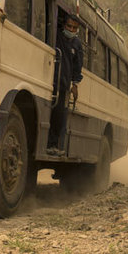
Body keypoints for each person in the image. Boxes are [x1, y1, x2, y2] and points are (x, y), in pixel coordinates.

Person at [48, 14, 84, 155]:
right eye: (69, 26)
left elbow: (77, 66)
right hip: (49, 81)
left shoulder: (77, 45)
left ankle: (53, 145)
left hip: (63, 85)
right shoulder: (56, 36)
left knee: (59, 115)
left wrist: (75, 85)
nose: (71, 29)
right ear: (64, 25)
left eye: (74, 28)